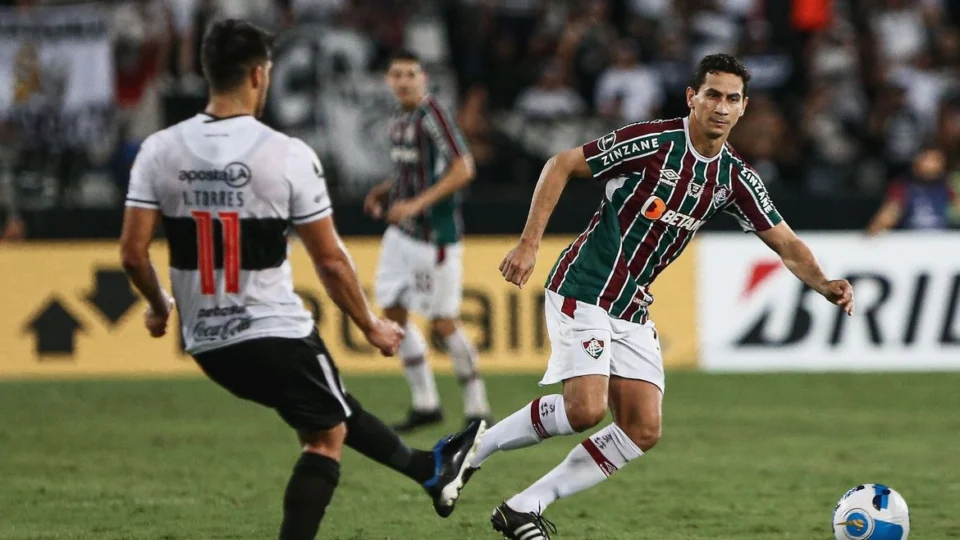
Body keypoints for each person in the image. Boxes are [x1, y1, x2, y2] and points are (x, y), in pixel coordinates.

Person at [454, 54, 856, 539]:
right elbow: (561, 164)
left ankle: (524, 506)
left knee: (642, 429)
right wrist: (529, 243)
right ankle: (474, 449)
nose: (721, 107)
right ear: (692, 97)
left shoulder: (734, 178)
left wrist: (825, 283)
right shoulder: (654, 143)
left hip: (631, 304)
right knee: (584, 410)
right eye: (712, 95)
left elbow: (787, 243)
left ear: (744, 107)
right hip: (586, 285)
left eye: (732, 99)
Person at [118, 20, 485, 540]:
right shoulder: (286, 154)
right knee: (324, 437)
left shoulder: (158, 150)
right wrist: (370, 325)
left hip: (204, 340)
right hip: (272, 329)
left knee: (327, 415)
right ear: (258, 76)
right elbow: (331, 260)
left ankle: (430, 469)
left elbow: (133, 254)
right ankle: (432, 469)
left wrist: (157, 304)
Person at [364, 51, 493, 432]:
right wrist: (386, 191)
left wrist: (415, 205)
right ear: (388, 80)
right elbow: (413, 171)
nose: (403, 81)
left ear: (423, 79)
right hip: (401, 235)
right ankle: (425, 403)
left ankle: (477, 407)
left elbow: (463, 168)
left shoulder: (432, 114)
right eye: (396, 74)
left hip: (434, 238)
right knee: (392, 312)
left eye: (410, 74)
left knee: (443, 323)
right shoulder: (399, 117)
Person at [866, 146, 957, 235]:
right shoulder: (903, 185)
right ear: (917, 161)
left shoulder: (945, 186)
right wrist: (879, 225)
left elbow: (957, 204)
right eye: (928, 160)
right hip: (910, 239)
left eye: (937, 161)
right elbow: (891, 211)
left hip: (939, 239)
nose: (931, 165)